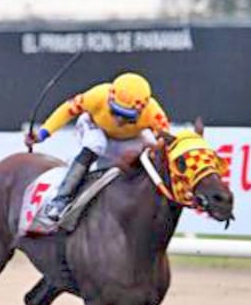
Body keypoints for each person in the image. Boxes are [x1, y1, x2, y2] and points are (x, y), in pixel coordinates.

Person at [24, 72, 170, 221]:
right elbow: (66, 111)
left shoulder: (154, 114)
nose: (119, 120)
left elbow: (166, 142)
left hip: (128, 138)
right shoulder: (97, 95)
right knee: (96, 143)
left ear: (142, 110)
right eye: (115, 111)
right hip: (93, 126)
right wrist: (42, 134)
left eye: (128, 116)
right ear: (109, 99)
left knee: (152, 149)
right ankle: (60, 200)